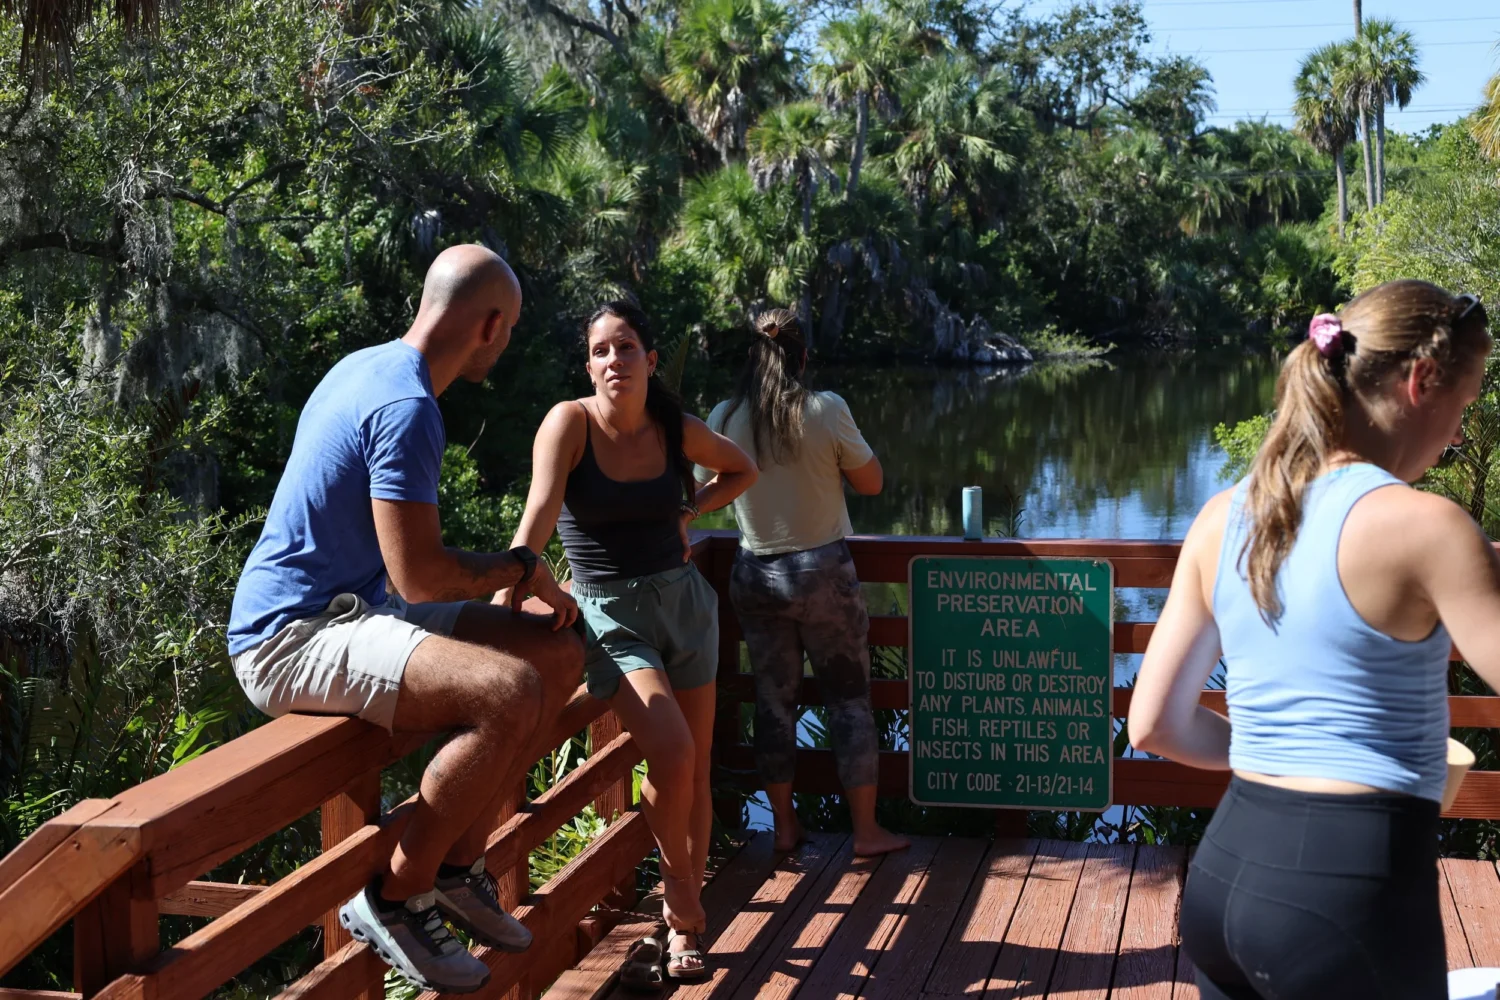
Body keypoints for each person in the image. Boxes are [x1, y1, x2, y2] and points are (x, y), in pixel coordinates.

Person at [1128, 280, 1500, 999]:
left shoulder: (1225, 514)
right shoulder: (1428, 527)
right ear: (1421, 380)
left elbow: (1154, 724)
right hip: (1348, 896)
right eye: (1463, 407)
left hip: (1225, 875)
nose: (1458, 435)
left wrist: (1287, 749)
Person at [227, 245, 583, 995]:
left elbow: (403, 583)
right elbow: (418, 575)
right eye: (511, 329)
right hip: (292, 635)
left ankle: (456, 866)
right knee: (508, 690)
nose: (507, 343)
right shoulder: (407, 406)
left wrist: (516, 578)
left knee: (555, 654)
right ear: (490, 325)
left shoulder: (366, 366)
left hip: (363, 609)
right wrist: (522, 568)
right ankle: (394, 895)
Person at [496, 301, 757, 982]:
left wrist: (690, 509)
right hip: (610, 617)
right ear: (589, 366)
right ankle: (682, 907)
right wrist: (510, 587)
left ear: (650, 358)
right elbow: (538, 512)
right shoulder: (570, 422)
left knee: (694, 770)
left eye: (627, 346)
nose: (614, 359)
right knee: (672, 752)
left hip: (685, 605)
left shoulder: (674, 428)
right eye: (601, 350)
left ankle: (684, 926)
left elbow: (741, 469)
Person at [705, 308, 909, 858]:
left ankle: (784, 827)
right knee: (849, 702)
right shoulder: (826, 409)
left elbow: (703, 488)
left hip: (756, 574)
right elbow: (872, 483)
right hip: (823, 576)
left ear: (752, 357)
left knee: (773, 704)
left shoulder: (724, 416)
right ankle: (866, 832)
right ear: (803, 357)